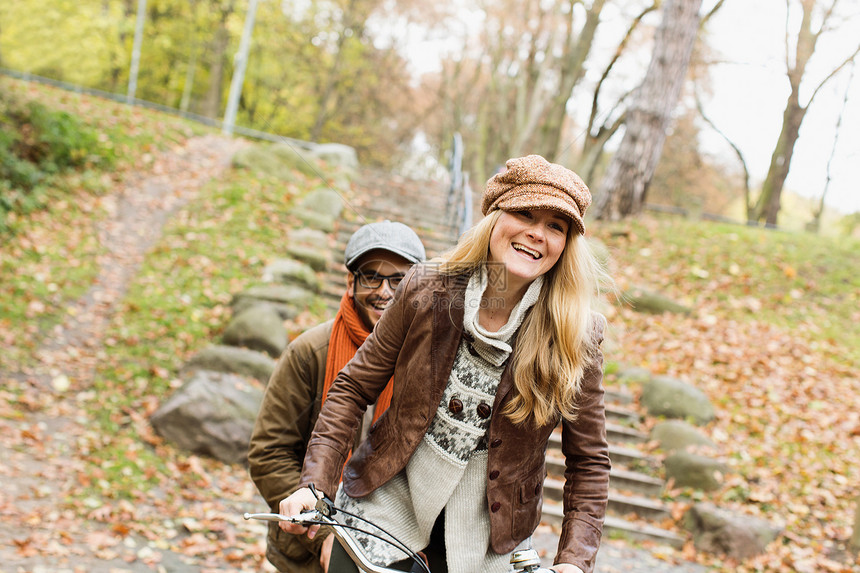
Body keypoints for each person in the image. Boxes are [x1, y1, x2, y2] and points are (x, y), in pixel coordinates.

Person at [281, 155, 611, 573]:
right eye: (524, 213)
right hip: (383, 507)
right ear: (494, 217)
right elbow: (352, 389)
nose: (536, 233)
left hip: (491, 539)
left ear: (566, 245)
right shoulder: (426, 289)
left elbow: (589, 461)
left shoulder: (577, 334)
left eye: (555, 226)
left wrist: (575, 561)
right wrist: (314, 484)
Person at [248, 220, 427, 573]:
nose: (385, 291)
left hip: (399, 551)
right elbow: (269, 451)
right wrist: (326, 535)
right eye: (372, 276)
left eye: (399, 279)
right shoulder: (309, 352)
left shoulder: (429, 363)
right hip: (310, 555)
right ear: (351, 281)